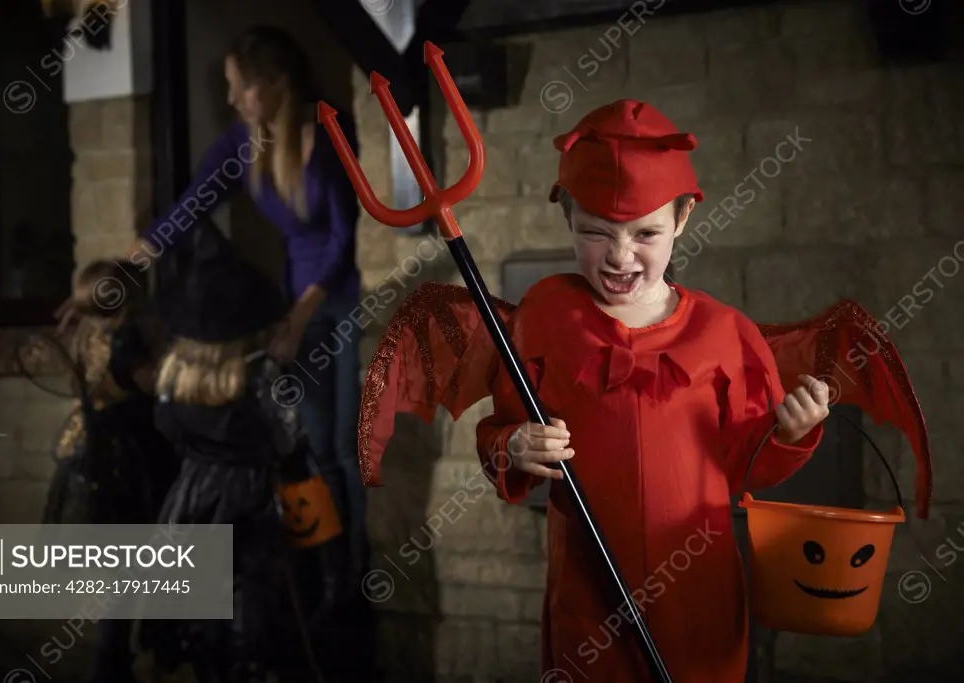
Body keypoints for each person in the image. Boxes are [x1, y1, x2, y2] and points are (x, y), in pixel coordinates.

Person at [351, 99, 838, 682]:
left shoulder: (725, 334)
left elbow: (745, 464)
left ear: (683, 218)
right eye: (596, 233)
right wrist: (514, 447)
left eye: (647, 233)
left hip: (696, 592)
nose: (620, 255)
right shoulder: (545, 318)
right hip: (589, 592)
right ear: (568, 220)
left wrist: (790, 432)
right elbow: (499, 432)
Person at [53, 25, 371, 606]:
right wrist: (104, 287)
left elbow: (343, 239)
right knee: (315, 444)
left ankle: (359, 581)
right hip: (295, 300)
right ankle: (329, 588)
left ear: (274, 85)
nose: (230, 99)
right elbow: (187, 211)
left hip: (339, 300)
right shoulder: (244, 143)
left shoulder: (329, 131)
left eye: (238, 87)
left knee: (347, 448)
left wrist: (300, 317)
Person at [132, 221, 330, 683]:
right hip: (259, 504)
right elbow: (290, 446)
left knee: (201, 623)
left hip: (192, 499)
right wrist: (323, 544)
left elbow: (170, 433)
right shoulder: (262, 385)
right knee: (257, 613)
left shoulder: (173, 386)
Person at [40, 258, 178, 683]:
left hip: (98, 462)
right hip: (134, 465)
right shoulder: (126, 343)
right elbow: (156, 387)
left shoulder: (87, 337)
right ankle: (141, 658)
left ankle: (117, 662)